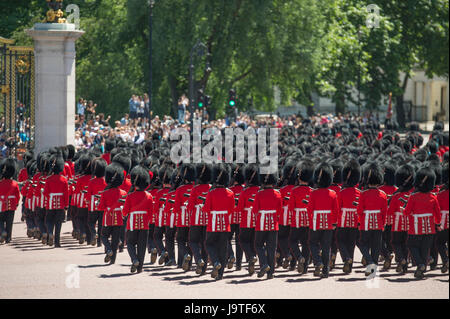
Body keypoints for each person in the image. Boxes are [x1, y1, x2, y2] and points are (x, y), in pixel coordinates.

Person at [404, 166, 442, 279]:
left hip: (416, 227)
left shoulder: (413, 196)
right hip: (429, 227)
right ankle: (422, 268)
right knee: (425, 248)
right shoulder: (433, 197)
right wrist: (438, 224)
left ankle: (420, 264)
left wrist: (403, 210)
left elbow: (406, 212)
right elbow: (438, 213)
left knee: (411, 245)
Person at [307, 162, 339, 278]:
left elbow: (310, 209)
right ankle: (326, 270)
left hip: (316, 222)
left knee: (312, 243)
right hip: (329, 223)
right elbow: (336, 210)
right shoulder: (333, 193)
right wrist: (334, 223)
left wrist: (312, 220)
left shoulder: (313, 193)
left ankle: (317, 262)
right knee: (326, 246)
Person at [203, 163, 235, 280]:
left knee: (209, 244)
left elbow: (206, 209)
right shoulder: (230, 193)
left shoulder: (211, 193)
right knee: (223, 248)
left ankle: (215, 261)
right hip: (225, 224)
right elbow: (231, 210)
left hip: (213, 224)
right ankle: (220, 274)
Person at [357, 162, 388, 277]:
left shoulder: (363, 194)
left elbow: (359, 210)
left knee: (363, 244)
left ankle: (369, 262)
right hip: (378, 224)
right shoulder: (383, 195)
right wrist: (383, 224)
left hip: (366, 223)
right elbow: (384, 212)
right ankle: (372, 269)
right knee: (376, 246)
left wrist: (360, 221)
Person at [122, 166, 153, 273]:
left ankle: (134, 259)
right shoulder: (149, 196)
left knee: (130, 243)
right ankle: (140, 268)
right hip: (144, 224)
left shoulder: (130, 196)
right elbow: (150, 213)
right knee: (142, 246)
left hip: (132, 224)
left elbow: (125, 212)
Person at [253, 169, 283, 279]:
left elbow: (255, 210)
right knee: (271, 248)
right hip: (273, 223)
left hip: (261, 223)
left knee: (258, 245)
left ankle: (264, 264)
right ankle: (271, 273)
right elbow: (279, 211)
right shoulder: (277, 194)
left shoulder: (259, 194)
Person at [387, 164, 415, 274]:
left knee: (395, 242)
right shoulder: (413, 194)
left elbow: (390, 212)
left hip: (398, 224)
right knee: (405, 244)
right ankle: (404, 265)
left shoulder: (396, 196)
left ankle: (401, 259)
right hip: (410, 224)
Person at [288, 159, 314, 274]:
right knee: (306, 243)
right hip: (309, 220)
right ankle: (305, 268)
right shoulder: (312, 191)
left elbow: (290, 208)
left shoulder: (294, 191)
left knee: (292, 241)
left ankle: (299, 257)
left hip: (297, 220)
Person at [98, 163, 127, 265]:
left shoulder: (105, 193)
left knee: (104, 236)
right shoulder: (123, 193)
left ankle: (108, 249)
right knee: (115, 239)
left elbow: (101, 207)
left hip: (108, 218)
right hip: (119, 218)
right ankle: (113, 259)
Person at [336, 159, 361, 274]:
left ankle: (346, 258)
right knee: (351, 242)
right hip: (355, 221)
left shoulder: (342, 192)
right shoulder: (359, 192)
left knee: (340, 240)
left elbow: (338, 208)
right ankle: (349, 266)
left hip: (343, 220)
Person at [187, 163, 212, 275]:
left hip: (196, 219)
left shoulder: (195, 189)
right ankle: (204, 268)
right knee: (205, 242)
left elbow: (190, 206)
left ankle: (198, 260)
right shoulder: (211, 188)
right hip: (208, 219)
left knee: (193, 241)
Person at [237, 163, 260, 276]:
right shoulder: (260, 191)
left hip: (247, 219)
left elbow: (240, 208)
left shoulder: (245, 192)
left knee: (243, 240)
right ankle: (252, 259)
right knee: (254, 241)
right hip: (259, 220)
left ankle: (251, 257)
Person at [43, 154, 69, 247]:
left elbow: (45, 193)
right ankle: (57, 242)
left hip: (50, 203)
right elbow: (66, 194)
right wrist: (66, 205)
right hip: (61, 203)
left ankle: (50, 232)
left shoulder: (48, 179)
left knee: (48, 220)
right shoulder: (64, 180)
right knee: (58, 223)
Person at [86, 158, 107, 247]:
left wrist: (87, 201)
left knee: (90, 222)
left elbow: (88, 195)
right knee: (101, 224)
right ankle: (99, 242)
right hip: (103, 204)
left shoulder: (92, 181)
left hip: (93, 205)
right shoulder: (106, 181)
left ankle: (94, 233)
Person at [0, 158, 20, 243]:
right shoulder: (14, 183)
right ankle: (8, 238)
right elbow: (17, 195)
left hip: (1, 204)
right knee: (9, 222)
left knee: (0, 220)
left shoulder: (0, 183)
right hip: (11, 205)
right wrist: (16, 203)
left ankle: (2, 231)